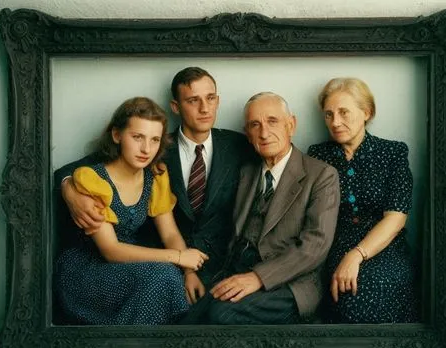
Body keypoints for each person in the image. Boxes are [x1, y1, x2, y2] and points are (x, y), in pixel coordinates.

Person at [55, 67, 253, 306]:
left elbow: (280, 161)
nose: (204, 108)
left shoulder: (238, 146)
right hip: (138, 260)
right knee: (167, 284)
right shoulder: (157, 150)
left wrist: (188, 269)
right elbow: (76, 170)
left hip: (212, 260)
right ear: (176, 107)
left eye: (210, 98)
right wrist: (68, 188)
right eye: (193, 100)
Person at [182, 92, 340, 325]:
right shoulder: (246, 171)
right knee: (188, 318)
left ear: (291, 125)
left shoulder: (322, 175)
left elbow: (315, 246)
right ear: (248, 134)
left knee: (220, 315)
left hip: (289, 282)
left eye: (272, 121)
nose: (264, 133)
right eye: (255, 125)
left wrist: (258, 277)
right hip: (235, 268)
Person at [54, 97, 209, 325]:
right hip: (87, 271)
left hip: (128, 265)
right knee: (163, 274)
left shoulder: (155, 177)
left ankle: (138, 343)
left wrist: (188, 272)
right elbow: (110, 250)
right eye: (137, 137)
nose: (146, 149)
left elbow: (170, 234)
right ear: (117, 136)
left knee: (172, 277)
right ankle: (126, 344)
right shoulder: (93, 179)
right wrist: (178, 257)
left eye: (155, 140)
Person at [307, 77, 419, 323]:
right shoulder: (317, 155)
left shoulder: (393, 153)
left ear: (367, 112)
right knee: (347, 294)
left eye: (344, 112)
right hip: (333, 245)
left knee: (373, 288)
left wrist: (356, 255)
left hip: (384, 245)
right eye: (328, 114)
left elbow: (396, 217)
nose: (335, 122)